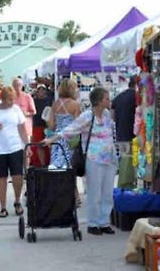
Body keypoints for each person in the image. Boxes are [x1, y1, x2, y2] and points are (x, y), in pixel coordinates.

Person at [43, 87, 118, 235]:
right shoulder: (87, 116)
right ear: (99, 101)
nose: (109, 101)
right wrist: (51, 139)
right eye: (106, 98)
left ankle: (104, 222)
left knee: (108, 192)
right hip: (93, 158)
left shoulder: (108, 114)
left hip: (109, 158)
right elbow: (70, 130)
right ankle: (93, 223)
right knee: (94, 192)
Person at [0, 86, 29, 217]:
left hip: (15, 147)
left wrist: (27, 146)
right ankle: (3, 207)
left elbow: (22, 129)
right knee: (1, 178)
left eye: (13, 99)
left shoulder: (16, 109)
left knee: (17, 176)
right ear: (2, 99)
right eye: (9, 100)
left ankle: (17, 201)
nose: (12, 102)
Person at [47, 78, 81, 205]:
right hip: (70, 138)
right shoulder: (75, 105)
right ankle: (75, 195)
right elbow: (78, 124)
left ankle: (58, 195)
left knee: (57, 167)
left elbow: (51, 125)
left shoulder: (55, 104)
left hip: (57, 138)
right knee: (70, 167)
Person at [111, 76, 137, 153]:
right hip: (135, 136)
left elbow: (112, 116)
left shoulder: (118, 97)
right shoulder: (138, 97)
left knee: (124, 160)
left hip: (121, 135)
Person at [30, 84, 52, 166]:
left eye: (43, 89)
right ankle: (42, 164)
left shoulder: (49, 100)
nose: (41, 91)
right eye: (40, 89)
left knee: (49, 144)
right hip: (37, 125)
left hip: (48, 125)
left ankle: (50, 162)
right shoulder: (33, 100)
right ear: (37, 91)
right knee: (39, 144)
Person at [12, 77, 36, 142]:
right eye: (15, 85)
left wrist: (26, 113)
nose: (17, 87)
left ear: (22, 86)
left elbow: (34, 111)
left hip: (25, 128)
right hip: (14, 128)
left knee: (26, 148)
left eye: (19, 85)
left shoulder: (27, 96)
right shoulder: (11, 97)